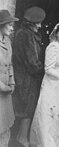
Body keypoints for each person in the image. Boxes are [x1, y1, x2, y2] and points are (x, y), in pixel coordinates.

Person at [30, 22, 59, 147]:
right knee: (51, 116)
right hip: (52, 85)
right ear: (56, 34)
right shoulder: (53, 47)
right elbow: (48, 69)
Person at [12, 6, 46, 147]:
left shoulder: (26, 33)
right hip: (25, 78)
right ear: (30, 23)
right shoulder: (26, 35)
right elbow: (32, 63)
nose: (40, 26)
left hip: (26, 77)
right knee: (27, 108)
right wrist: (44, 70)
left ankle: (21, 136)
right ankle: (22, 138)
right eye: (37, 23)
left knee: (27, 108)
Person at [0, 9, 18, 147]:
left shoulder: (7, 41)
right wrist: (2, 86)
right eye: (10, 25)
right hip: (1, 89)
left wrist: (11, 82)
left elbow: (10, 63)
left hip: (6, 93)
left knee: (6, 128)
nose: (12, 29)